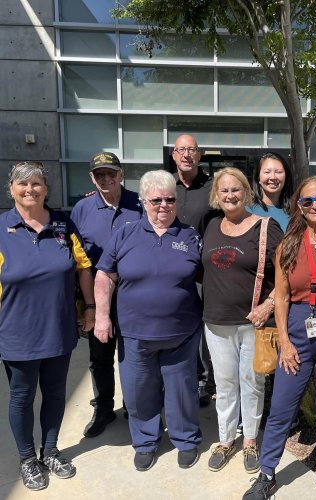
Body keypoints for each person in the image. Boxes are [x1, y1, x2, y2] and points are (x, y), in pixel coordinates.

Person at [243, 176, 316, 500]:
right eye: (307, 201)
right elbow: (280, 297)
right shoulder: (288, 245)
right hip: (296, 327)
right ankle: (266, 474)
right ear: (298, 206)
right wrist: (284, 340)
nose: (314, 206)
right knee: (281, 407)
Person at [94, 170, 203, 472]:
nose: (164, 205)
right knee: (139, 391)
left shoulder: (190, 235)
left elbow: (207, 276)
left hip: (181, 333)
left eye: (169, 199)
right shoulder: (125, 234)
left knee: (182, 389)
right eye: (156, 200)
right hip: (134, 333)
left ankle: (186, 438)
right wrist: (102, 316)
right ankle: (145, 441)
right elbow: (104, 276)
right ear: (143, 201)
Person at [0, 162, 95, 490]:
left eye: (37, 184)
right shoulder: (1, 229)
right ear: (10, 188)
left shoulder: (62, 224)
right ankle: (28, 458)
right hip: (16, 332)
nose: (30, 190)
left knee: (55, 393)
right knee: (22, 396)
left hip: (59, 327)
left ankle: (51, 450)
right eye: (23, 185)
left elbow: (84, 267)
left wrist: (91, 308)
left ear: (45, 188)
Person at [202, 167, 283, 474]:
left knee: (252, 383)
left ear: (247, 193)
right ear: (216, 195)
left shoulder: (265, 227)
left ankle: (249, 440)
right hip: (216, 322)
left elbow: (286, 272)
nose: (230, 195)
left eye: (236, 189)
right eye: (224, 190)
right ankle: (225, 440)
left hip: (253, 323)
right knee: (224, 385)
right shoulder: (210, 226)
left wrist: (269, 305)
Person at [71, 152, 143, 438]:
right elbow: (75, 256)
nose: (105, 179)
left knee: (134, 355)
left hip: (134, 296)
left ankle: (133, 407)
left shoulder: (139, 204)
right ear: (92, 177)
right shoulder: (82, 208)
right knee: (100, 356)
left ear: (121, 174)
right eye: (99, 174)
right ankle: (103, 409)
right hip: (98, 298)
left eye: (110, 173)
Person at [172, 134, 220, 407]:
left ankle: (208, 380)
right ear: (174, 155)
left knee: (209, 327)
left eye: (192, 149)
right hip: (175, 270)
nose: (187, 154)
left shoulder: (213, 188)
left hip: (207, 270)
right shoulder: (168, 187)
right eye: (181, 150)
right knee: (183, 326)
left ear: (199, 155)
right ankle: (190, 377)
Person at [247, 152, 294, 232]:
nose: (273, 177)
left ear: (286, 177)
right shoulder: (247, 211)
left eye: (278, 172)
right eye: (267, 172)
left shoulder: (296, 211)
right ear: (258, 178)